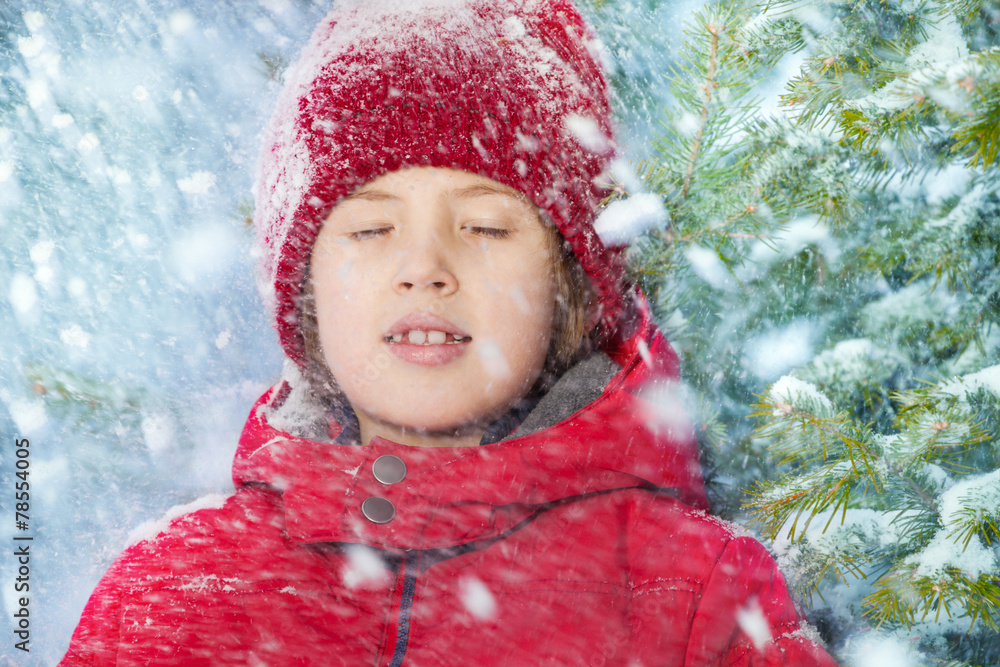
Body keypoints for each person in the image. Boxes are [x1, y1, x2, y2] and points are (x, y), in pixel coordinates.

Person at [61, 1, 839, 665]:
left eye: (484, 226)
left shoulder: (696, 596)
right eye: (370, 229)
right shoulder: (172, 596)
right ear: (306, 291)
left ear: (565, 283)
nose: (425, 267)